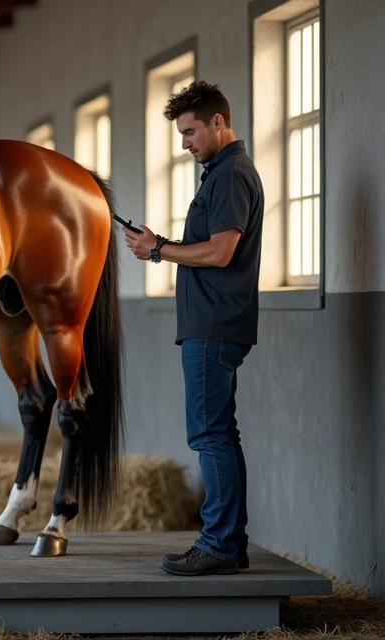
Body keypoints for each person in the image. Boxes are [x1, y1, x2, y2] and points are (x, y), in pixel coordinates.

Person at [123, 80, 264, 576]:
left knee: (210, 436)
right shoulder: (220, 174)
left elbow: (221, 251)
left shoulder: (229, 175)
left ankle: (219, 545)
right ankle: (230, 543)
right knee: (220, 434)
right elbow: (210, 246)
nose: (184, 143)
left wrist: (159, 250)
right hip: (215, 323)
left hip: (214, 326)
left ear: (217, 122)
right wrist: (159, 242)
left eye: (189, 132)